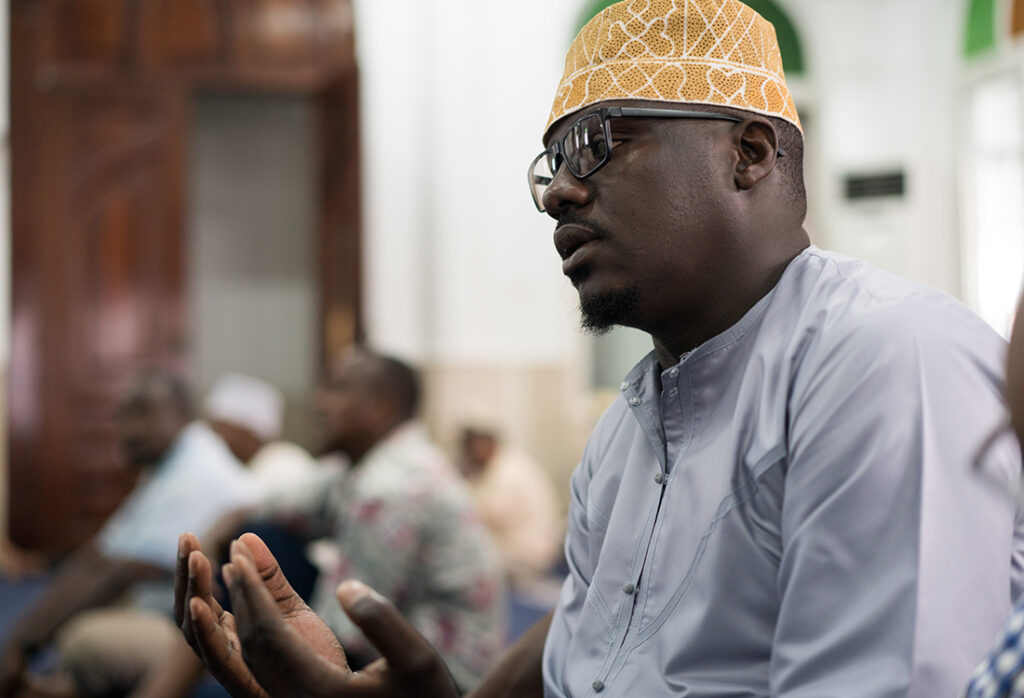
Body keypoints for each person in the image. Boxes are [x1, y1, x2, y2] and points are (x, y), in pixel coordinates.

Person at [173, 1, 1024, 696]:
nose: (560, 194)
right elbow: (592, 647)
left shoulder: (881, 360)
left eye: (599, 143)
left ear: (749, 154)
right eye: (551, 164)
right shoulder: (629, 431)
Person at [188, 348, 506, 692]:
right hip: (403, 645)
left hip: (444, 678)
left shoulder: (389, 489)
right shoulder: (360, 466)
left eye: (336, 389)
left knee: (253, 574)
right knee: (258, 538)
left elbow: (344, 632)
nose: (318, 402)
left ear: (381, 406)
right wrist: (219, 533)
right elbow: (274, 506)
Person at [0, 370, 259, 698]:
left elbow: (125, 567)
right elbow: (104, 550)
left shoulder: (199, 471)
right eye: (123, 415)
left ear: (181, 413)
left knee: (85, 641)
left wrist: (21, 644)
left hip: (199, 628)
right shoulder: (169, 464)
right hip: (157, 606)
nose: (128, 429)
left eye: (143, 412)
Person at [457, 421, 562, 586]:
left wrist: (463, 485)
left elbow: (488, 515)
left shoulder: (509, 469)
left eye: (471, 446)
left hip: (528, 554)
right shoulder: (502, 463)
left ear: (487, 442)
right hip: (521, 550)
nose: (467, 454)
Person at [202, 372, 322, 499]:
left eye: (220, 428)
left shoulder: (285, 465)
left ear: (247, 432)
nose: (213, 437)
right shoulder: (253, 466)